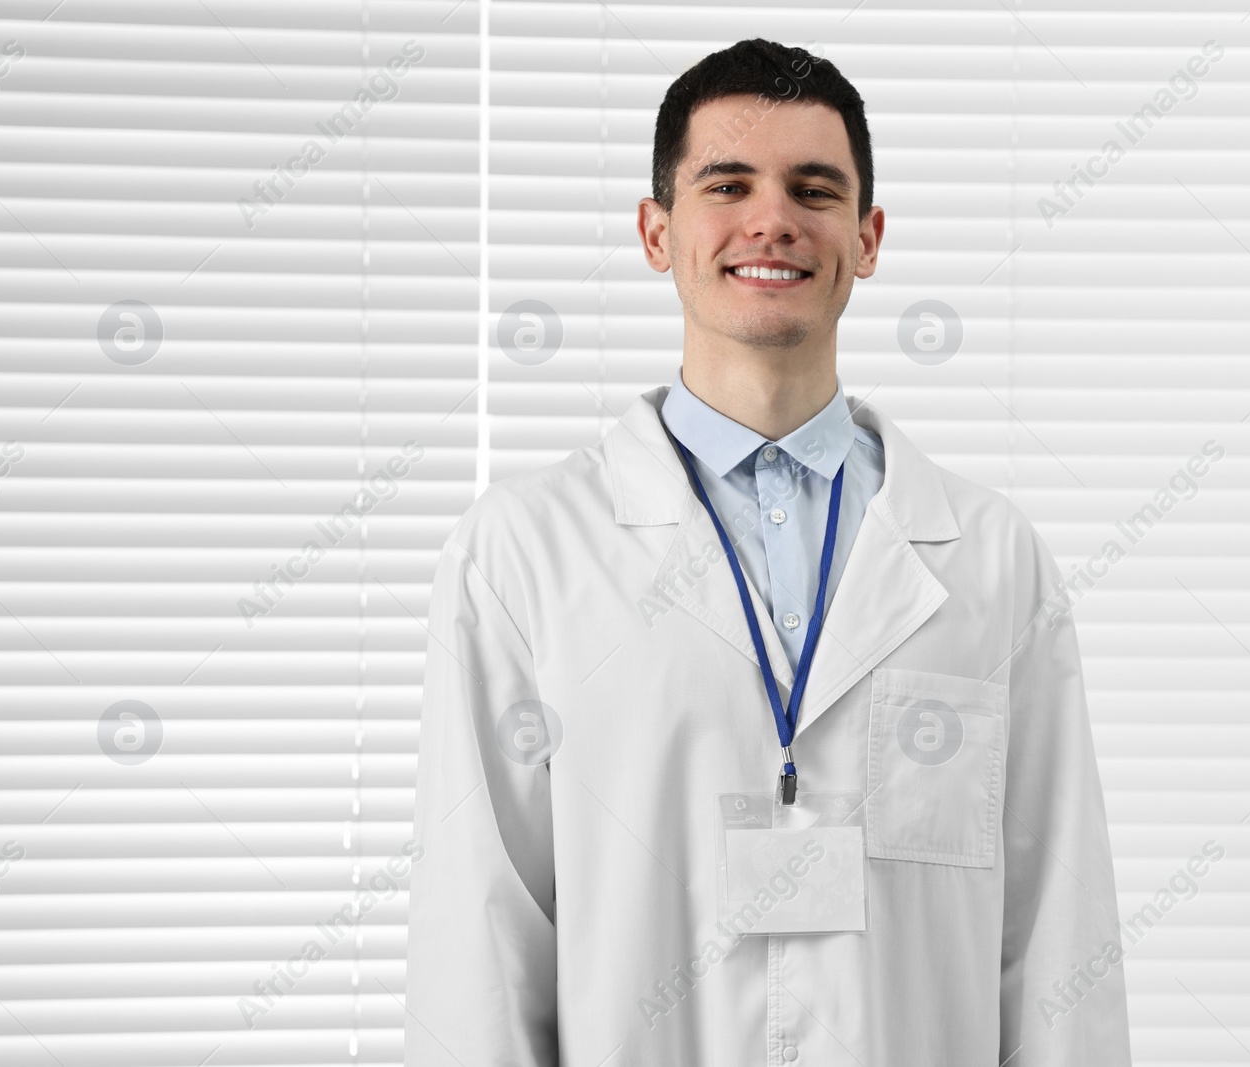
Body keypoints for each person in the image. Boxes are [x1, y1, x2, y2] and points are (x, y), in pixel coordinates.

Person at [405, 37, 1130, 1067]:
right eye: (728, 184)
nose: (772, 220)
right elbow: (477, 934)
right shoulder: (524, 550)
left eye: (814, 189)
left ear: (868, 238)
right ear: (657, 233)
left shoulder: (990, 559)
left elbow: (1060, 928)